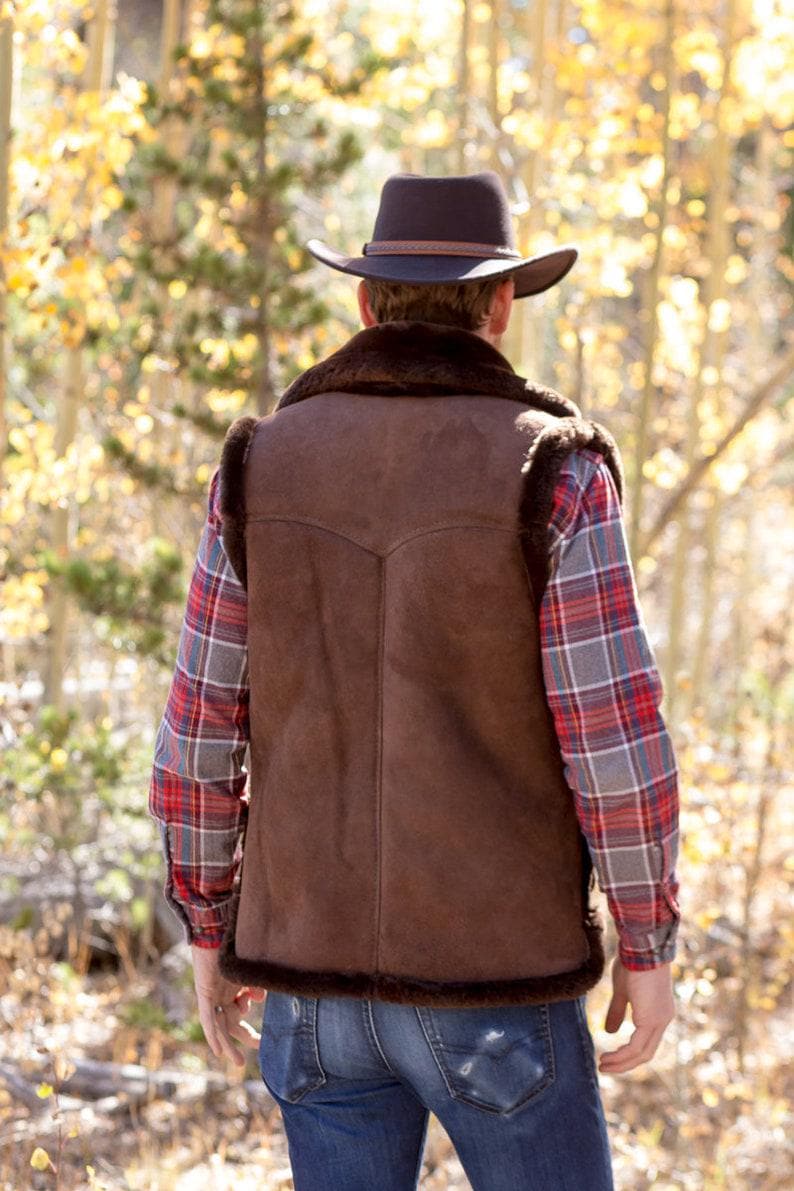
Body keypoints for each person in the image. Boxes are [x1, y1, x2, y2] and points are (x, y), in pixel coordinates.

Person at [149, 171, 681, 1191]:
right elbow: (613, 742)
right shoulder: (553, 471)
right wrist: (647, 944)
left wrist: (207, 927)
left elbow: (198, 733)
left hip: (311, 991)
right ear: (501, 304)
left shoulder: (258, 466)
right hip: (496, 986)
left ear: (365, 302)